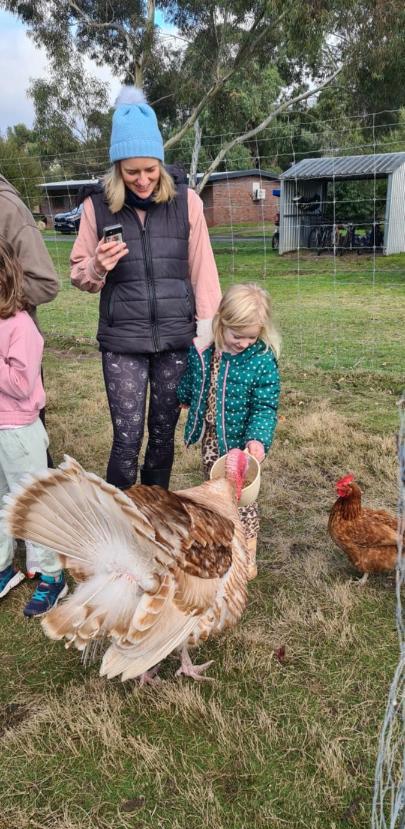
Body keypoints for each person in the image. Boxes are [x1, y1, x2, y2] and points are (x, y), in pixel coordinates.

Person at [71, 86, 221, 491]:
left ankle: (155, 517)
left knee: (161, 436)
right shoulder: (96, 207)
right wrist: (96, 267)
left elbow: (203, 270)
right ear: (117, 167)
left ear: (160, 161)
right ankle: (118, 523)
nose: (142, 180)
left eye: (150, 170)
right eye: (131, 171)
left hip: (176, 339)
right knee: (126, 438)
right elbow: (77, 272)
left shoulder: (187, 203)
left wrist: (209, 332)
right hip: (123, 342)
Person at [177, 283, 281, 579]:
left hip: (241, 446)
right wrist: (183, 396)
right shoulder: (205, 349)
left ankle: (247, 554)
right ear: (222, 322)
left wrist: (257, 439)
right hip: (212, 440)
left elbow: (265, 405)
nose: (245, 342)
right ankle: (222, 545)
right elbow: (194, 378)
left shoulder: (260, 360)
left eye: (252, 336)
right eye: (239, 335)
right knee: (214, 495)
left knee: (242, 501)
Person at [0, 238, 67, 616]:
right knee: (1, 500)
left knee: (33, 503)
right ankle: (3, 566)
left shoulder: (20, 326)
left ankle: (52, 575)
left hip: (19, 432)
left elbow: (21, 384)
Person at [0, 174, 59, 466]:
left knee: (30, 484)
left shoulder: (7, 209)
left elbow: (46, 283)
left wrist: (6, 300)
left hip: (18, 416)